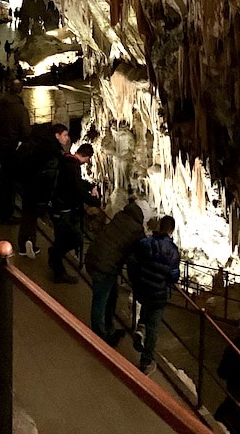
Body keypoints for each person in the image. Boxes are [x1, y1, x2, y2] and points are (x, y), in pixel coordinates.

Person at [85, 198, 147, 344]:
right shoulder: (137, 230)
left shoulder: (120, 216)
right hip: (104, 267)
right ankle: (99, 337)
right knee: (100, 300)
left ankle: (109, 329)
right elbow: (138, 253)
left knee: (112, 296)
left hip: (96, 257)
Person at [128, 214, 181, 376]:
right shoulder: (173, 252)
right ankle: (146, 361)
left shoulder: (146, 243)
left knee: (146, 307)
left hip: (143, 288)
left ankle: (140, 329)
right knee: (154, 327)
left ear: (159, 227)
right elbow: (173, 275)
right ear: (171, 231)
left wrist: (136, 280)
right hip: (158, 293)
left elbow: (134, 261)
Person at [47, 142, 100, 284]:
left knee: (63, 237)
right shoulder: (72, 166)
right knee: (75, 238)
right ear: (87, 157)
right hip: (62, 208)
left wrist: (90, 186)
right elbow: (76, 188)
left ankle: (57, 265)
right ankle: (56, 261)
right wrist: (94, 202)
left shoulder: (68, 162)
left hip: (60, 206)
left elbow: (76, 183)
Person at [17, 122, 69, 256]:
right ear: (57, 135)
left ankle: (24, 243)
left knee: (27, 213)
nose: (67, 138)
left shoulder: (40, 143)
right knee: (32, 214)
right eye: (65, 135)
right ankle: (29, 241)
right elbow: (49, 174)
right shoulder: (52, 150)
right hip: (38, 187)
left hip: (26, 181)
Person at [0, 79, 30, 224]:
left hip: (0, 145)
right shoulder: (20, 110)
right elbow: (26, 133)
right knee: (10, 182)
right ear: (20, 90)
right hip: (13, 148)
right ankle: (6, 214)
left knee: (4, 178)